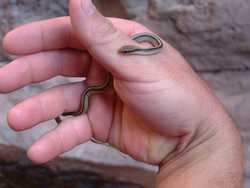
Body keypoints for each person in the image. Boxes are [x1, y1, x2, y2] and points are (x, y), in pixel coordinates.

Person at [0, 0, 244, 187]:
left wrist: (202, 142)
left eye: (127, 51)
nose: (124, 53)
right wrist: (203, 142)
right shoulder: (125, 61)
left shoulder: (144, 49)